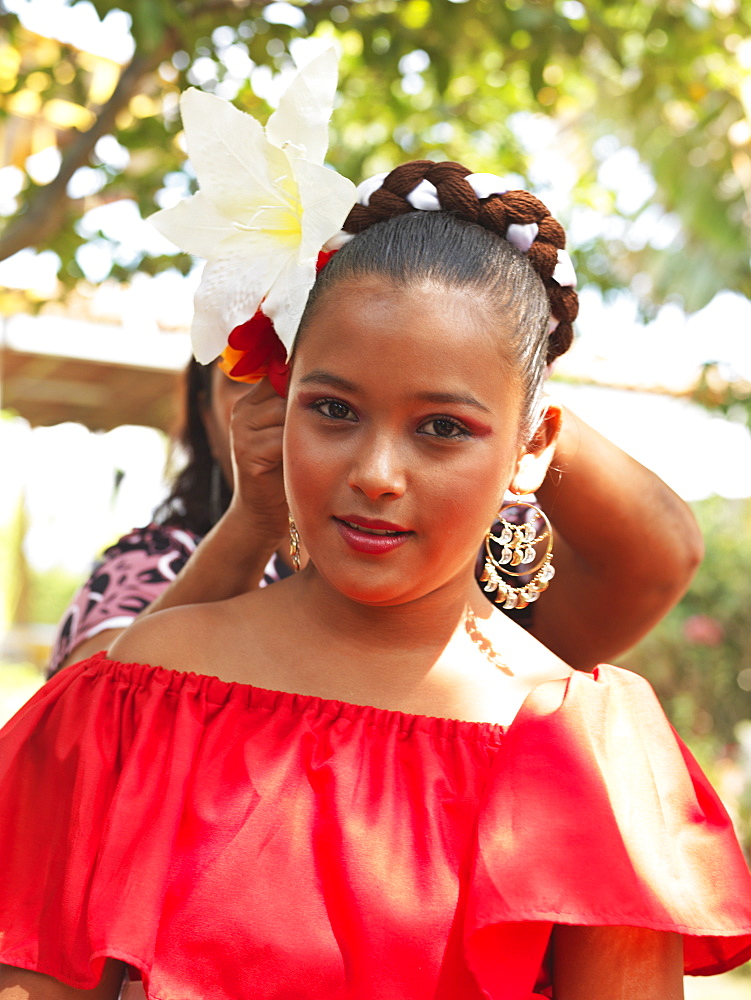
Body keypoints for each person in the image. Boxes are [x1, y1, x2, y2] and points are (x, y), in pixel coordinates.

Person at [2, 53, 749, 1000]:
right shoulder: (136, 692)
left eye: (443, 427)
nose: (375, 475)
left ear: (530, 449)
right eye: (334, 409)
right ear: (276, 405)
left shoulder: (585, 749)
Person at [47, 347, 702, 676]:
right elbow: (81, 732)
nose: (279, 406)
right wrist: (254, 522)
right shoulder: (153, 566)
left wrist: (496, 372)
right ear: (202, 405)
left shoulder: (479, 555)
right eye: (254, 376)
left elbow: (657, 556)